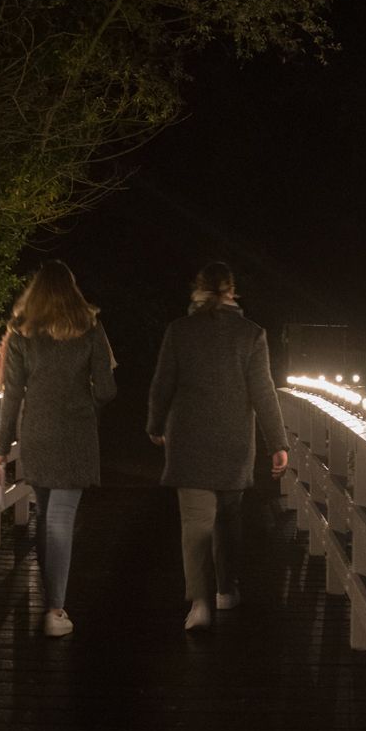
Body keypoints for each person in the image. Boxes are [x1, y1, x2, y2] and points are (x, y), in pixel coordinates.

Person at [146, 262, 288, 631]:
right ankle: (226, 589)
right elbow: (263, 392)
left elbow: (163, 384)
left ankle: (199, 603)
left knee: (195, 522)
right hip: (233, 439)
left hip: (189, 437)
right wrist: (278, 442)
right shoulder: (251, 334)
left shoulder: (179, 331)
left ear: (197, 290)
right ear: (231, 292)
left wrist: (155, 424)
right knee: (228, 519)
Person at [0, 261, 116, 637]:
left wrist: (0, 449)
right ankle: (55, 610)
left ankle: (50, 601)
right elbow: (107, 389)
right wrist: (88, 402)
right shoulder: (91, 328)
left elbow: (12, 394)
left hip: (38, 432)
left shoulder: (21, 332)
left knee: (46, 516)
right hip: (75, 430)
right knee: (59, 519)